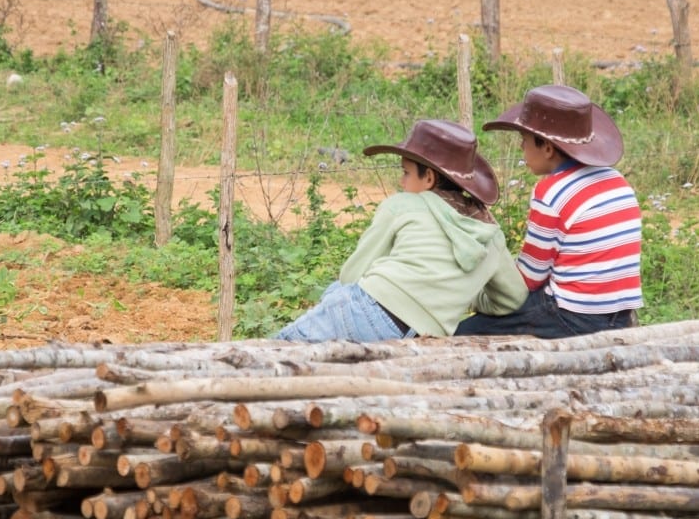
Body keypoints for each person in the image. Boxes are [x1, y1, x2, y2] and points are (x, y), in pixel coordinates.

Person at [274, 119, 527, 343]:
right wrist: (463, 296)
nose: (401, 182)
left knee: (277, 352)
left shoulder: (402, 205)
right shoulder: (490, 233)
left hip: (366, 309)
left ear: (428, 178)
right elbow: (513, 298)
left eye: (405, 173)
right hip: (421, 334)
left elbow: (351, 275)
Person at [455, 84, 642, 338]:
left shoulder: (551, 192)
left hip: (571, 313)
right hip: (619, 314)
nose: (521, 148)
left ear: (547, 147)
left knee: (465, 331)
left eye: (524, 140)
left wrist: (480, 296)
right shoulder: (616, 180)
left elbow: (529, 278)